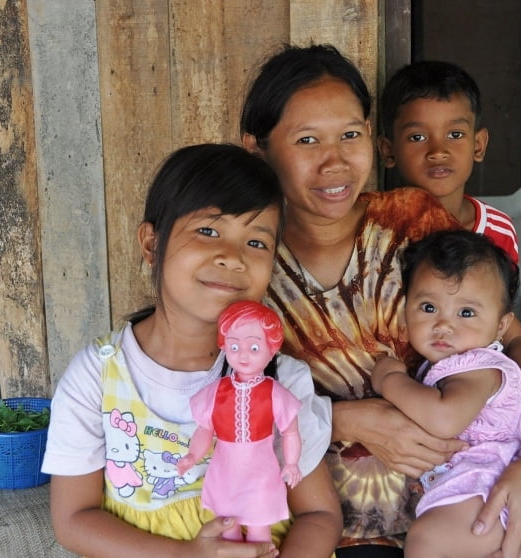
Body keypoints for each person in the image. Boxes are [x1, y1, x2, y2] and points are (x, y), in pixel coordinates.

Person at [241, 44, 521, 557]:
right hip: (301, 529)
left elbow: (511, 342)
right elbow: (211, 399)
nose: (336, 161)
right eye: (307, 140)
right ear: (258, 148)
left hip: (446, 522)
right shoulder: (245, 258)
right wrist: (344, 420)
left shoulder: (411, 222)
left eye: (350, 135)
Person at [41, 143, 341, 558]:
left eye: (256, 243)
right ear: (151, 244)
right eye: (209, 231)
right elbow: (74, 519)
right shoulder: (98, 376)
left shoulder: (278, 379)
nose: (233, 258)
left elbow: (319, 515)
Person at [371, 230, 521, 558]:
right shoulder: (451, 364)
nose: (444, 325)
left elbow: (445, 418)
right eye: (428, 307)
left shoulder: (477, 367)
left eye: (466, 313)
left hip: (503, 491)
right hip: (485, 488)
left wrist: (390, 381)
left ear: (501, 326)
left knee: (428, 542)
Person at [177, 300, 304, 544]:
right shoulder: (217, 390)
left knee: (259, 525)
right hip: (225, 470)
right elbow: (205, 428)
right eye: (234, 347)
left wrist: (291, 463)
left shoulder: (273, 391)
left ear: (272, 348)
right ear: (224, 347)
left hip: (261, 471)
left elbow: (290, 431)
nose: (243, 355)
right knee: (228, 524)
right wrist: (193, 455)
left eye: (254, 348)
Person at [378, 60, 519, 264]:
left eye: (455, 134)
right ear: (388, 151)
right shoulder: (377, 231)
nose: (438, 152)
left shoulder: (498, 231)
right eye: (417, 137)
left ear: (478, 146)